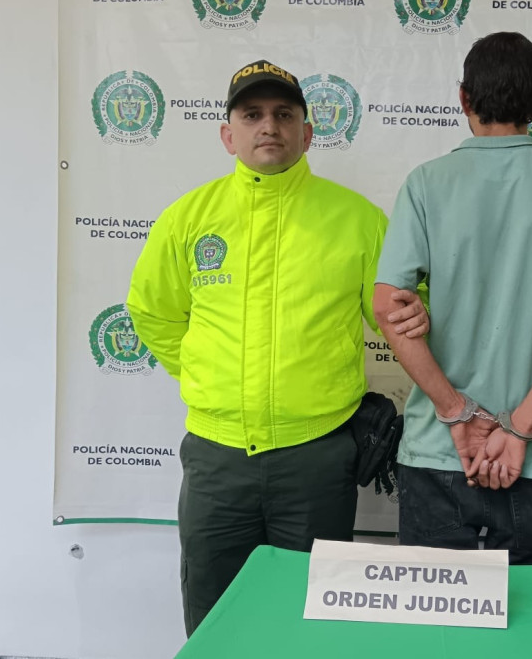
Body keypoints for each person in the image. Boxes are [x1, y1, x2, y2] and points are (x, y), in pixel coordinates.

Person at [125, 60, 429, 635]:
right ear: (228, 134)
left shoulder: (359, 220)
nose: (269, 126)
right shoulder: (187, 219)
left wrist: (426, 308)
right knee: (216, 621)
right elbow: (153, 312)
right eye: (252, 114)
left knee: (309, 624)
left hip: (317, 458)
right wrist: (206, 378)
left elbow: (400, 319)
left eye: (285, 114)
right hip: (217, 459)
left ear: (307, 133)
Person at [372, 32, 532, 564]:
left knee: (434, 617)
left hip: (440, 448)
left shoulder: (425, 183)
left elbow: (388, 308)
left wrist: (456, 412)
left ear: (463, 98)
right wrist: (519, 427)